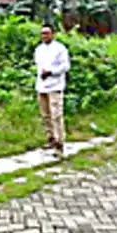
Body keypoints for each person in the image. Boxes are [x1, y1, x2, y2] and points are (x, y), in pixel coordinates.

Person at [35, 24, 71, 155]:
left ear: (53, 34)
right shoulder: (39, 49)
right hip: (41, 86)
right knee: (45, 115)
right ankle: (50, 138)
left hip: (55, 86)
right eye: (42, 33)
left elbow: (65, 66)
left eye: (47, 33)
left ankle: (59, 142)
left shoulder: (60, 49)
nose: (44, 36)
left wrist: (51, 72)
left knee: (56, 115)